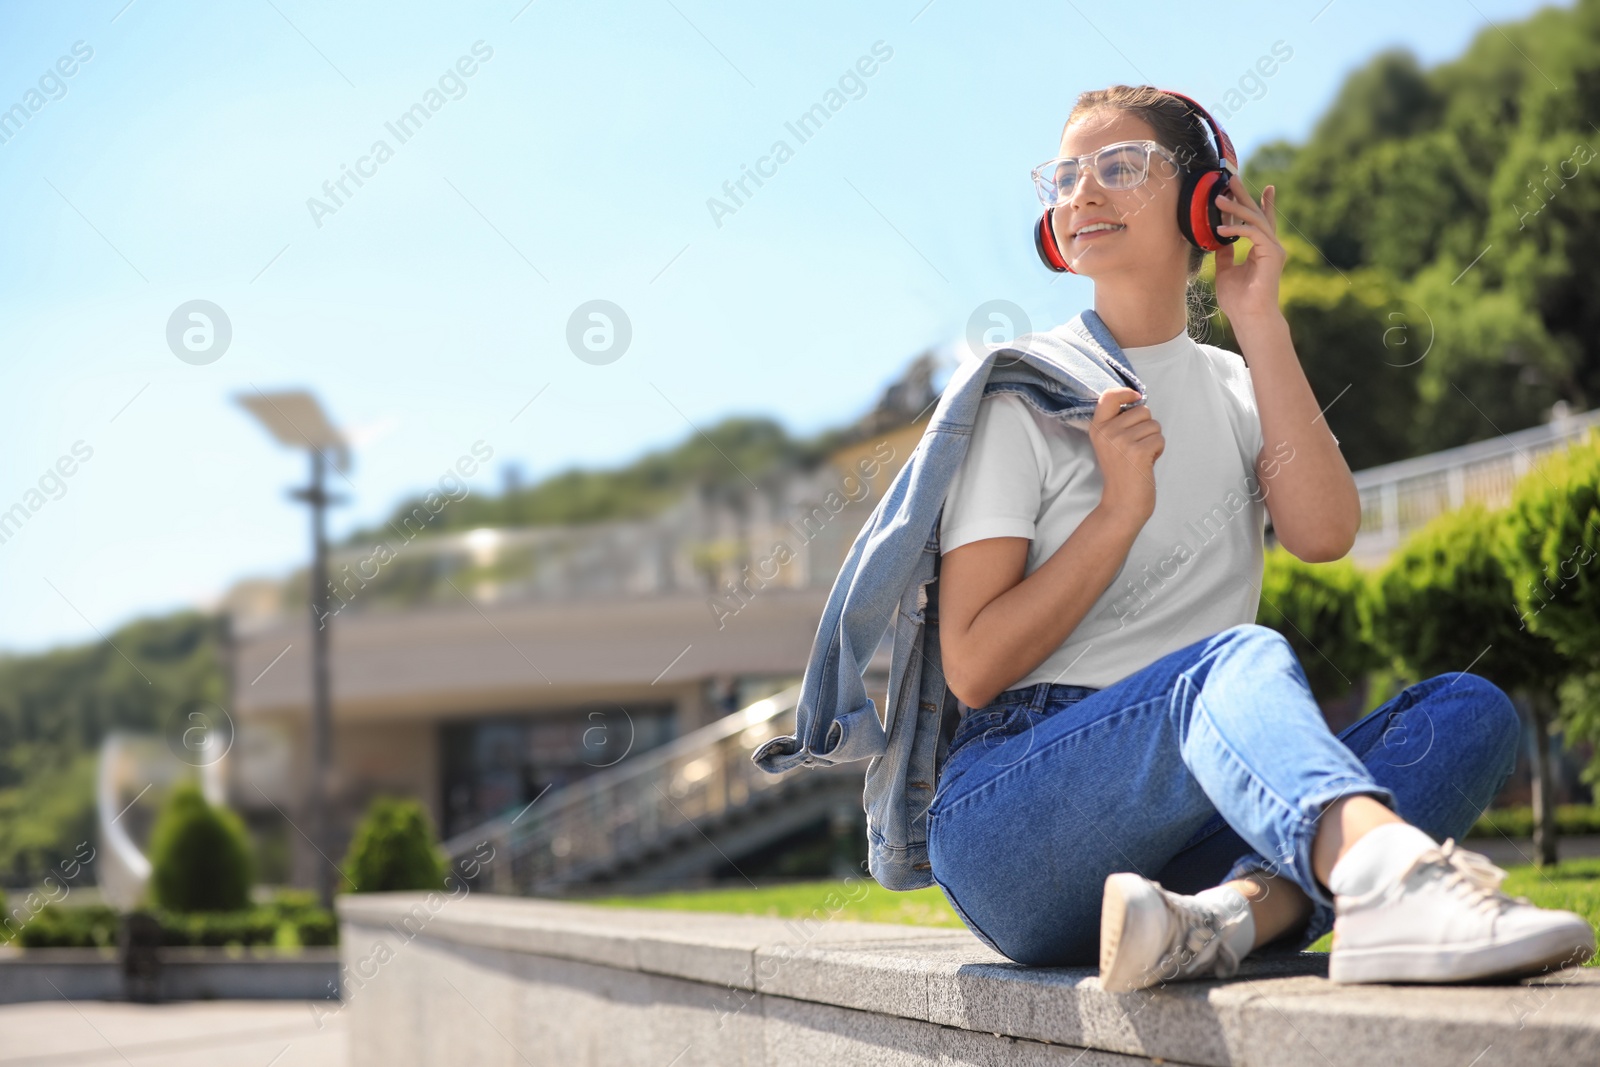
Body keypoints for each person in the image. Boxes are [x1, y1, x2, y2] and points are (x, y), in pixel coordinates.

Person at [929, 84, 1595, 988]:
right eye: (1066, 176)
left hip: (1193, 831)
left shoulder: (1239, 383)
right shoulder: (1026, 392)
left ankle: (1227, 920)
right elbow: (970, 664)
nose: (1082, 193)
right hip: (1017, 820)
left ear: (1205, 201)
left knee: (1467, 714)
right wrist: (1119, 511)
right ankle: (1389, 877)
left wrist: (1260, 318)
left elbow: (1323, 531)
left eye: (1120, 167)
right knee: (1232, 658)